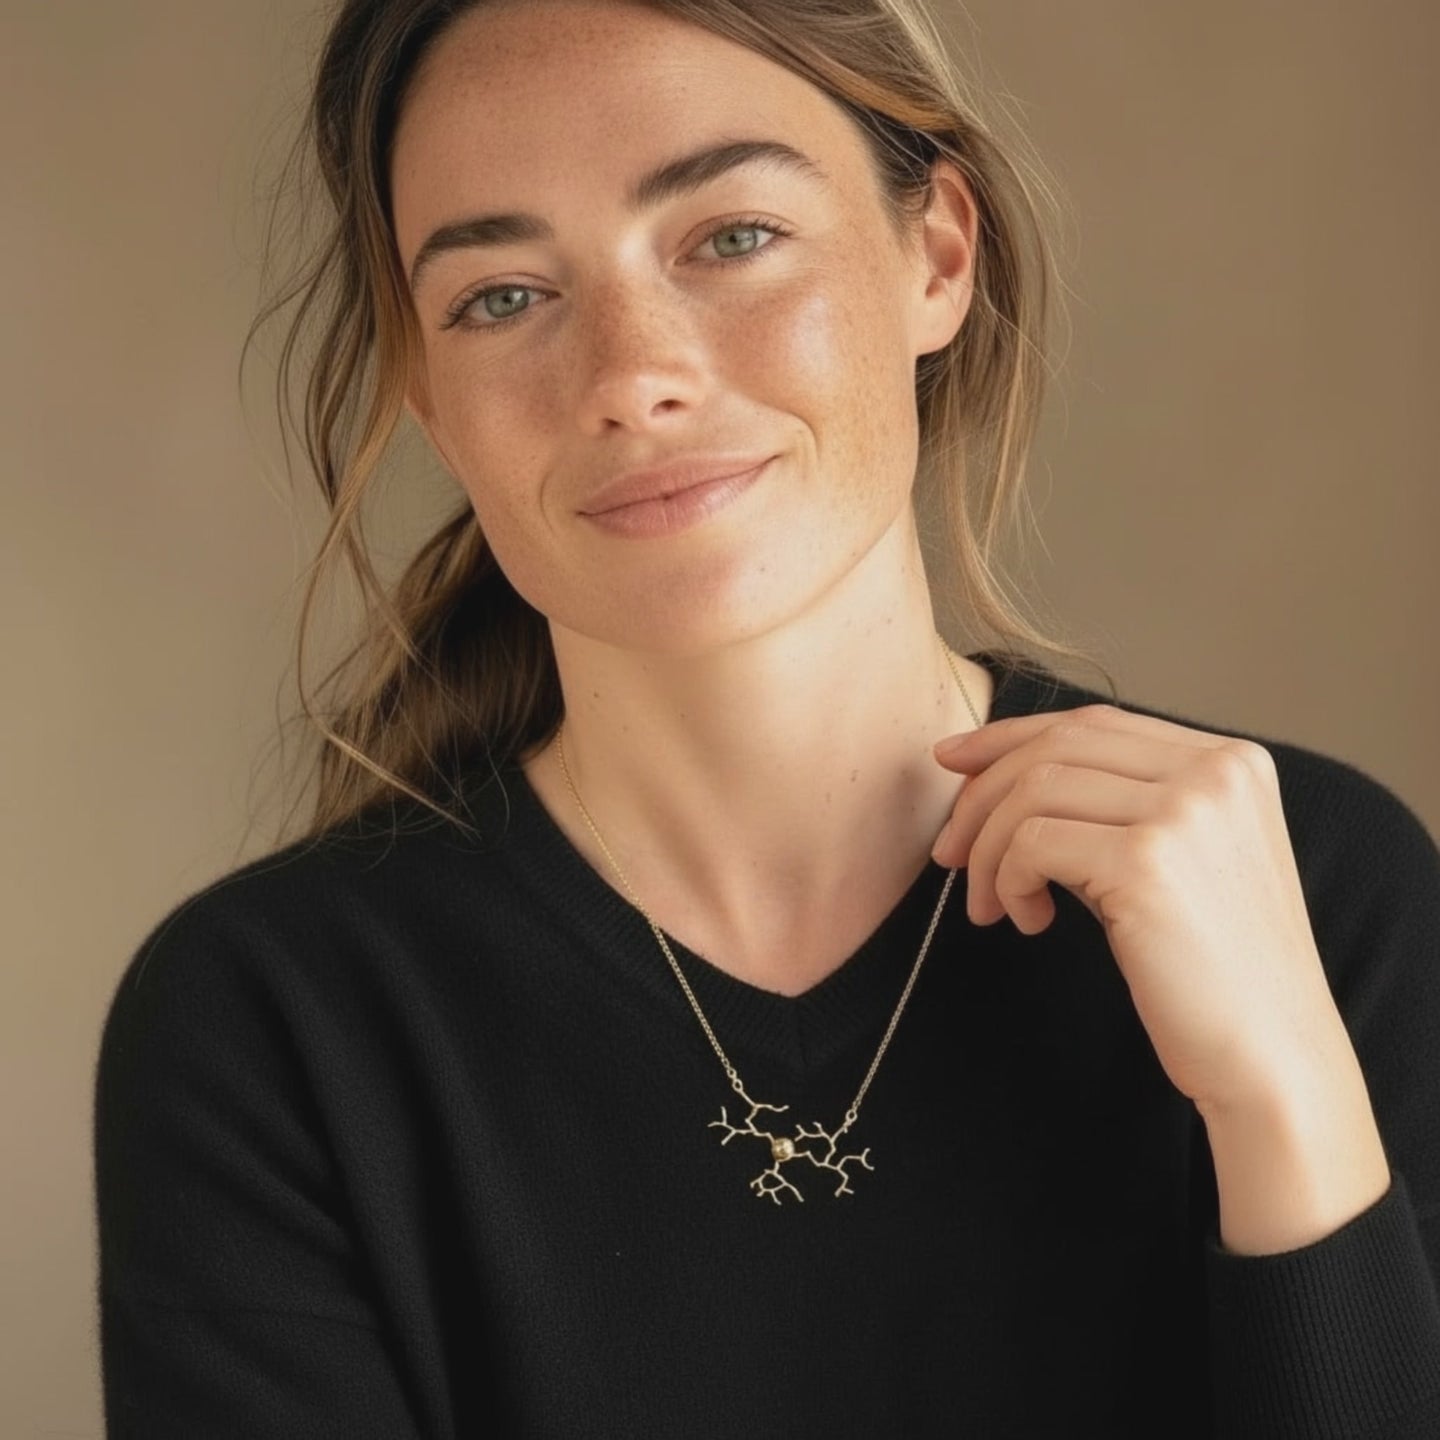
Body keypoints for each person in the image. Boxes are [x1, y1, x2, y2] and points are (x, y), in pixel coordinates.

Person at [92, 0, 1440, 1435]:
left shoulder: (1317, 886)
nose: (629, 378)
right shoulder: (270, 1025)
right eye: (502, 296)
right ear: (431, 395)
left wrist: (1285, 1103)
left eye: (730, 238)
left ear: (936, 254)